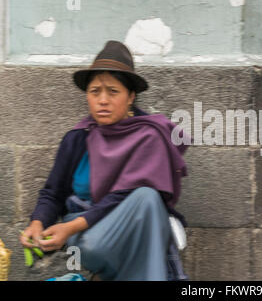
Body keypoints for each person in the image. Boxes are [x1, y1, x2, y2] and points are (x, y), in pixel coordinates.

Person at [19, 40, 189, 281]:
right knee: (116, 239)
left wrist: (69, 228)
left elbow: (122, 196)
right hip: (89, 239)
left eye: (113, 91)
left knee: (146, 198)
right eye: (95, 91)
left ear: (131, 97)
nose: (103, 100)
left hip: (130, 230)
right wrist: (37, 223)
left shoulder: (149, 135)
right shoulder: (78, 138)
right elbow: (53, 193)